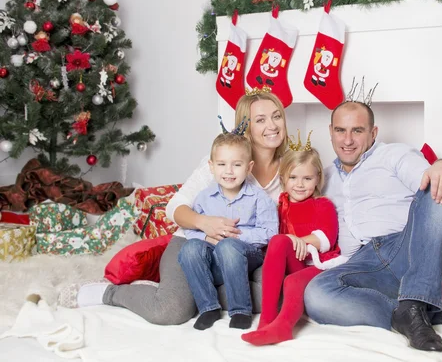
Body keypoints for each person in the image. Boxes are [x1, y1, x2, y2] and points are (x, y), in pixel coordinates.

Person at [58, 91, 288, 326]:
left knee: (275, 297)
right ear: (246, 126)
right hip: (195, 243)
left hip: (245, 253)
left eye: (276, 116)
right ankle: (110, 293)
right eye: (260, 120)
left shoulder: (290, 170)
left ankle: (200, 292)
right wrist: (203, 223)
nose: (271, 125)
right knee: (171, 310)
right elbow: (174, 207)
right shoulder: (222, 162)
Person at [303, 100, 442, 353]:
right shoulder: (322, 178)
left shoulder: (394, 155)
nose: (347, 139)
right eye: (340, 130)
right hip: (363, 265)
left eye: (357, 130)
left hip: (407, 249)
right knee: (316, 293)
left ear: (373, 133)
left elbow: (431, 180)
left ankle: (416, 301)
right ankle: (430, 315)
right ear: (330, 131)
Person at [242, 142, 341, 345]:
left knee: (292, 282)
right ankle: (266, 320)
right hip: (294, 262)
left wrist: (297, 240)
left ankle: (283, 328)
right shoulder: (279, 207)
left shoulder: (322, 204)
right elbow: (272, 241)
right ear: (283, 179)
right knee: (278, 241)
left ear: (318, 180)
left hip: (318, 265)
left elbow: (326, 238)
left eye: (307, 178)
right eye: (293, 178)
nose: (300, 184)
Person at [179, 132, 277, 330]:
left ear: (249, 167)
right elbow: (190, 230)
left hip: (246, 255)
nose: (229, 171)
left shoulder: (259, 197)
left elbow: (270, 232)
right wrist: (207, 236)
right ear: (212, 166)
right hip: (214, 256)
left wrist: (233, 236)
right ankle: (209, 307)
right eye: (222, 164)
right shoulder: (205, 197)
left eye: (237, 164)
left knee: (229, 247)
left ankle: (240, 310)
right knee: (189, 248)